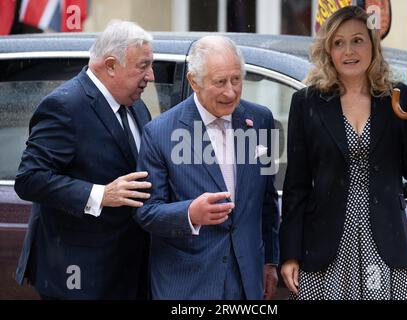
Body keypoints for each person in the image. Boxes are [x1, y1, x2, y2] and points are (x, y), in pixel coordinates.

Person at [280, 6, 407, 300]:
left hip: (386, 248)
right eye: (339, 42)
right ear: (329, 50)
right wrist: (290, 255)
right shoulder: (307, 102)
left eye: (358, 40)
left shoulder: (398, 96)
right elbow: (296, 187)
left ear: (373, 45)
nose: (349, 51)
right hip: (327, 249)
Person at [14, 20, 154, 299]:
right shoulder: (65, 106)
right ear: (111, 65)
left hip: (130, 270)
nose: (150, 75)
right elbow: (29, 179)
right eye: (143, 65)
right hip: (79, 274)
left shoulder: (136, 106)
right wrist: (101, 194)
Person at [134, 35, 280, 300]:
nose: (231, 91)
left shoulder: (260, 120)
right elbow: (146, 212)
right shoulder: (160, 133)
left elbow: (267, 201)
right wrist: (190, 213)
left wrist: (270, 262)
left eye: (236, 79)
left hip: (247, 281)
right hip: (189, 285)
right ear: (194, 81)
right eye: (220, 82)